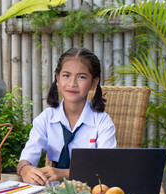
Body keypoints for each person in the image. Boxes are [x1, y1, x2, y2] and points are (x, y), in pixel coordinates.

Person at [17, 47, 116, 185]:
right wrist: (25, 169)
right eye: (66, 75)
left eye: (81, 77)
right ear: (57, 78)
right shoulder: (46, 119)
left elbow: (106, 168)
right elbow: (26, 159)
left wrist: (62, 173)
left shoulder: (103, 122)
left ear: (94, 82)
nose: (72, 83)